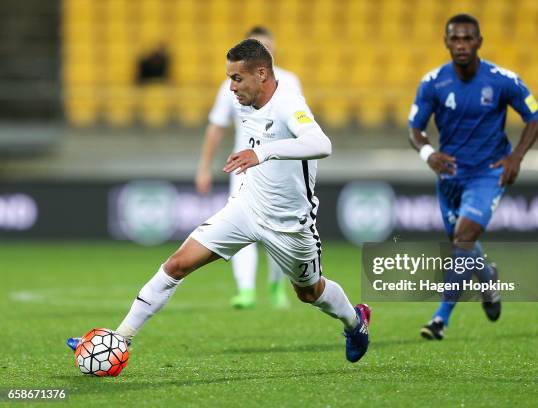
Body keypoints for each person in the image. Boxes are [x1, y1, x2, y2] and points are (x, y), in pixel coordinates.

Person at [68, 39, 371, 363]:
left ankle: (355, 323)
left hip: (289, 223)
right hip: (247, 207)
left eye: (237, 79)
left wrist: (262, 152)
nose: (231, 87)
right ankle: (119, 340)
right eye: (229, 78)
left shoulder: (287, 103)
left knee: (309, 292)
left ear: (262, 73)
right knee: (177, 264)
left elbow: (321, 143)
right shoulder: (245, 103)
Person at [408, 14, 538, 340]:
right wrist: (429, 154)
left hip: (488, 174)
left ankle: (441, 318)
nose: (462, 45)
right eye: (455, 39)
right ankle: (487, 279)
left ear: (479, 42)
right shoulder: (433, 82)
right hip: (451, 176)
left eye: (468, 39)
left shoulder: (501, 80)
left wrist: (516, 156)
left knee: (463, 238)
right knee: (462, 244)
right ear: (446, 42)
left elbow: (534, 116)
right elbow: (415, 128)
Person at [196, 26, 302, 309]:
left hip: (280, 168)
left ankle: (276, 284)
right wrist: (204, 167)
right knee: (241, 226)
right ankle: (246, 290)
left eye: (267, 45)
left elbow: (300, 128)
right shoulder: (230, 84)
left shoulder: (289, 82)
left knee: (277, 232)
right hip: (244, 169)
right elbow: (216, 127)